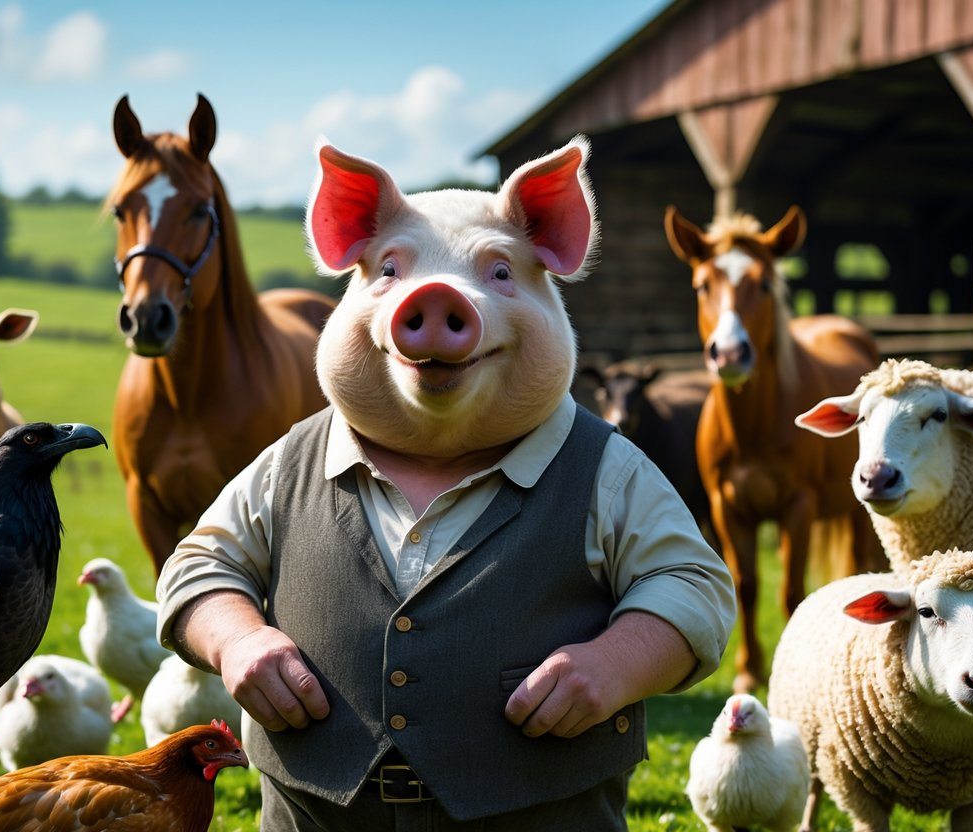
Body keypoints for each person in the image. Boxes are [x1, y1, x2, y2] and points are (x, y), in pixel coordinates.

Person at [156, 137, 736, 831]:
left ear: (554, 244)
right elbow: (198, 564)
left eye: (496, 274)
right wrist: (238, 640)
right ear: (347, 252)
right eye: (392, 270)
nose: (433, 305)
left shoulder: (601, 468)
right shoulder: (293, 462)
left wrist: (616, 663)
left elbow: (692, 583)